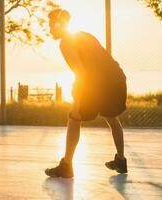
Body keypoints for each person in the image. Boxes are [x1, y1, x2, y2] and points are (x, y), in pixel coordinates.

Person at [45, 9, 128, 178]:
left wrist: (77, 99)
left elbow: (82, 73)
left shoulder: (66, 43)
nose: (50, 29)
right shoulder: (85, 35)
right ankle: (121, 160)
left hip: (98, 84)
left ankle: (66, 166)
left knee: (74, 117)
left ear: (59, 24)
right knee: (111, 117)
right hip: (116, 79)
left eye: (52, 25)